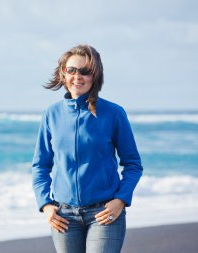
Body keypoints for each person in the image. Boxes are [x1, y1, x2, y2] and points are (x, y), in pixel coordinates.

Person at [31, 44, 143, 253]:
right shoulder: (51, 114)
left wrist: (121, 200)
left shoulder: (114, 113)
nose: (77, 76)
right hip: (64, 216)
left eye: (85, 71)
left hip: (104, 213)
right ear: (63, 73)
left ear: (95, 75)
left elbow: (133, 164)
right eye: (71, 70)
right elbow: (40, 165)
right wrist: (46, 205)